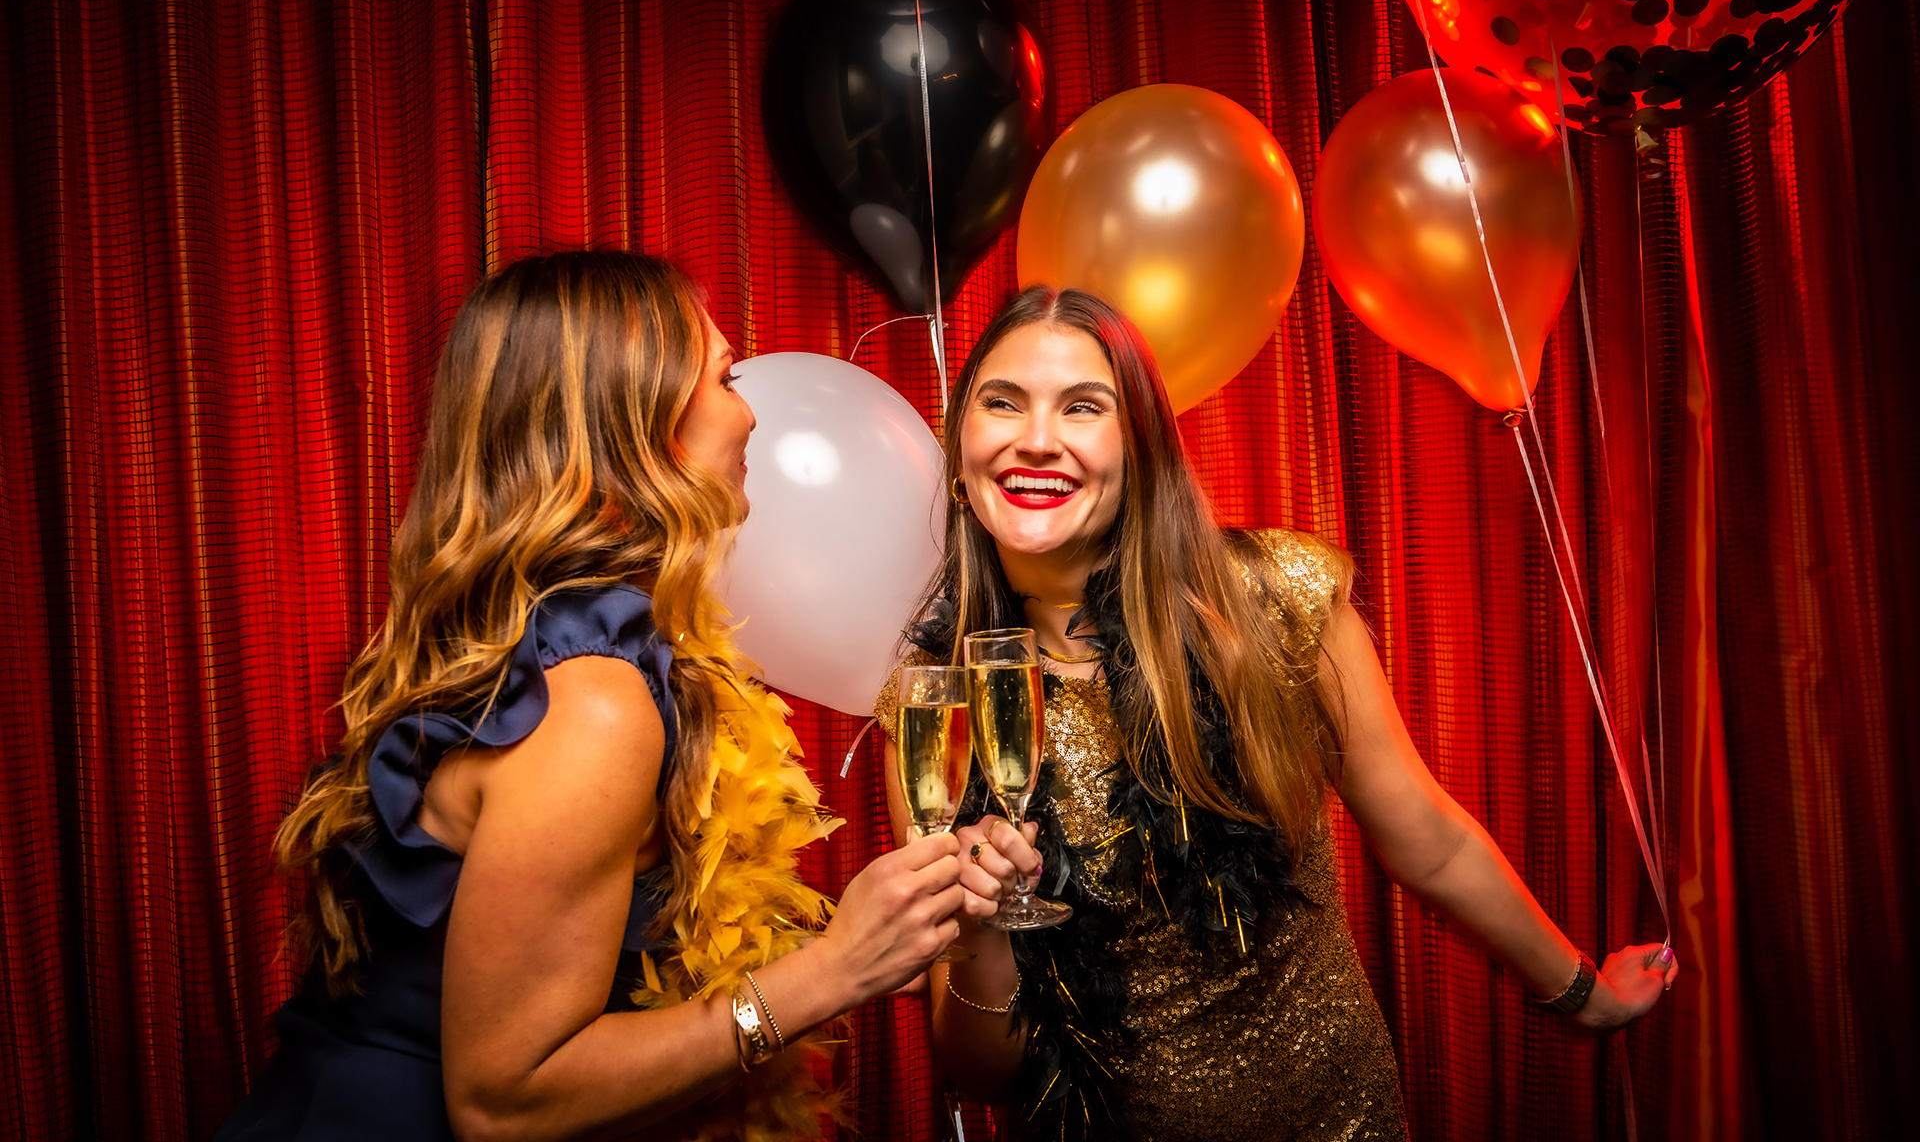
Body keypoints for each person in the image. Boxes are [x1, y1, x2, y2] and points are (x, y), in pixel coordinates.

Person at [216, 251, 998, 1142]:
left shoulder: (567, 641)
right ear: (638, 425)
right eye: (726, 379)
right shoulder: (592, 701)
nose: (752, 414)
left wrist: (861, 946)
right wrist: (830, 974)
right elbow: (502, 1102)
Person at [875, 286, 1679, 1141]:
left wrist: (1582, 993)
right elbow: (982, 1076)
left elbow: (1428, 840)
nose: (1037, 439)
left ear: (1140, 449)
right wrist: (982, 930)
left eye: (1083, 406)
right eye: (1003, 403)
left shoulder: (1268, 604)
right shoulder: (933, 707)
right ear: (960, 452)